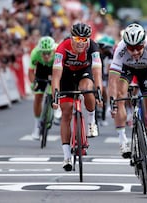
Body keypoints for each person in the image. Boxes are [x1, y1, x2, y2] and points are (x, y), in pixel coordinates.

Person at [108, 23, 147, 176]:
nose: (135, 51)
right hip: (126, 69)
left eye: (138, 47)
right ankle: (123, 141)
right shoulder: (121, 49)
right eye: (131, 48)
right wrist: (112, 101)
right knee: (120, 95)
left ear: (144, 43)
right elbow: (112, 80)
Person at [51, 22, 103, 171]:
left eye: (84, 39)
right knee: (66, 112)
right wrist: (55, 96)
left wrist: (98, 91)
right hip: (66, 75)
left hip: (84, 73)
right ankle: (66, 156)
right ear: (72, 38)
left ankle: (92, 121)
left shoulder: (93, 47)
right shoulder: (62, 47)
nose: (81, 43)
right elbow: (56, 76)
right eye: (78, 39)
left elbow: (97, 72)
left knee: (87, 89)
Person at [28, 36, 61, 140]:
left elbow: (62, 71)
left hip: (54, 68)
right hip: (41, 70)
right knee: (38, 97)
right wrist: (34, 83)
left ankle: (57, 108)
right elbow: (31, 71)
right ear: (40, 51)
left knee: (55, 90)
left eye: (48, 53)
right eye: (44, 53)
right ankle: (37, 126)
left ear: (52, 50)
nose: (46, 55)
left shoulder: (58, 51)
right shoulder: (35, 53)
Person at [96, 34, 115, 127]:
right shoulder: (96, 52)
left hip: (104, 75)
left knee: (105, 95)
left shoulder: (109, 53)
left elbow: (110, 67)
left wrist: (108, 77)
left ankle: (102, 117)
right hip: (95, 73)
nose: (110, 50)